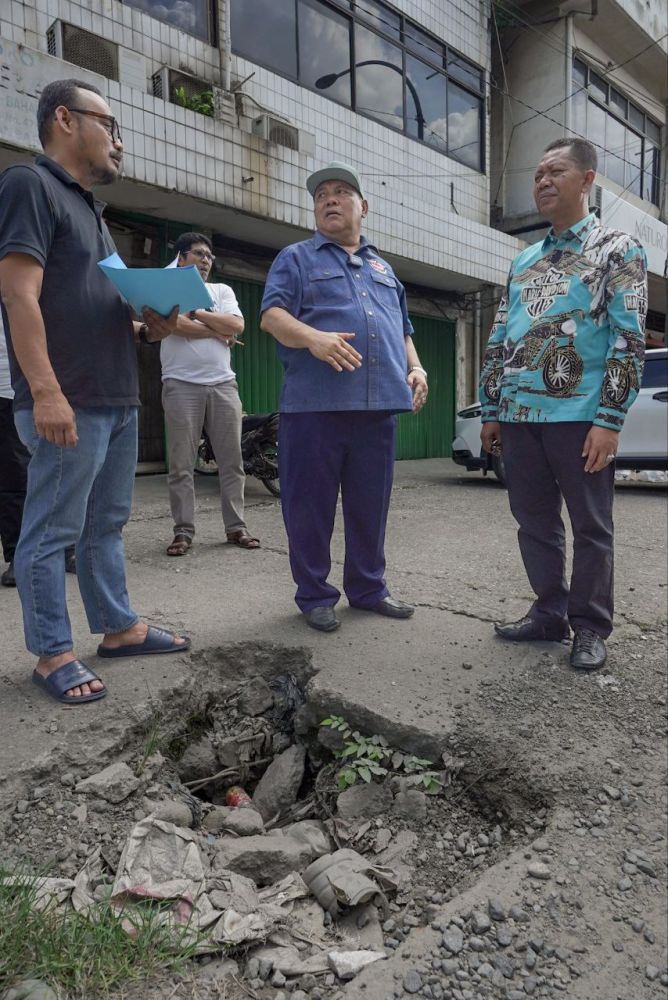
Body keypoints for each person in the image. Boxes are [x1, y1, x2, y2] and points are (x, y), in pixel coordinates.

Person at [0, 78, 189, 705]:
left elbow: (105, 306)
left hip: (115, 395)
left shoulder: (92, 212)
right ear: (64, 119)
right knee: (51, 529)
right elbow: (19, 294)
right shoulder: (29, 186)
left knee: (104, 524)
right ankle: (52, 652)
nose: (118, 141)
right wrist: (45, 391)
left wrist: (150, 323)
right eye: (109, 125)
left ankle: (117, 628)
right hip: (69, 397)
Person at [479, 137, 647, 671]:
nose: (543, 181)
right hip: (519, 418)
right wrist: (490, 409)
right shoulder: (523, 259)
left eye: (556, 171)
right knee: (533, 521)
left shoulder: (618, 249)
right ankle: (548, 612)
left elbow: (628, 338)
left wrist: (610, 419)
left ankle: (591, 626)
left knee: (591, 526)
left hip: (580, 419)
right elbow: (500, 336)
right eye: (538, 174)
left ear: (587, 179)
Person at [261, 161, 428, 632]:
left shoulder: (384, 268)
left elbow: (403, 330)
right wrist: (313, 337)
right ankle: (314, 594)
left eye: (340, 192)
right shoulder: (296, 258)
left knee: (370, 507)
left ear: (363, 207)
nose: (329, 200)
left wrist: (416, 368)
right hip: (314, 409)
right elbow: (272, 317)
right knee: (308, 507)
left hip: (377, 412)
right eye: (320, 196)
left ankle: (369, 589)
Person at [160, 232, 259, 556]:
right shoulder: (167, 284)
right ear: (181, 257)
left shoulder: (221, 291)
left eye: (209, 256)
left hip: (222, 384)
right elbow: (173, 325)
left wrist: (199, 312)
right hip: (180, 384)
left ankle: (236, 527)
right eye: (199, 254)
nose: (206, 261)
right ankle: (183, 532)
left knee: (232, 460)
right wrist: (219, 331)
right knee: (181, 464)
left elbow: (238, 327)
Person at [0, 314, 76, 587]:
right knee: (12, 480)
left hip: (39, 390)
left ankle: (66, 549)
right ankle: (16, 557)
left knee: (60, 471)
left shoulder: (27, 275)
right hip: (6, 391)